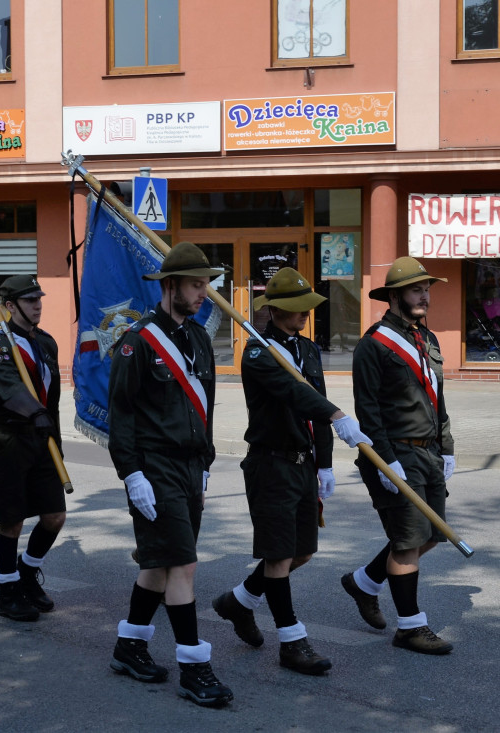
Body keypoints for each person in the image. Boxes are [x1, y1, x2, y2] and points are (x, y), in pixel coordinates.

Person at [210, 268, 369, 675]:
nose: (305, 316)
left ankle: (239, 601)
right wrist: (338, 415)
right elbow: (297, 394)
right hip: (271, 463)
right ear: (276, 309)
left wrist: (328, 463)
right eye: (298, 310)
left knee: (301, 553)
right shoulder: (259, 352)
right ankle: (292, 641)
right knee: (279, 556)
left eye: (307, 309)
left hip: (303, 462)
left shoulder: (308, 350)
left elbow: (317, 400)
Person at [106, 242, 232, 707]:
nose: (205, 293)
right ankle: (195, 669)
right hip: (153, 467)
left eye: (206, 284)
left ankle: (129, 646)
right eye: (197, 285)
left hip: (188, 466)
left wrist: (206, 459)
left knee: (158, 564)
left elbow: (206, 406)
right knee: (184, 564)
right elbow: (121, 415)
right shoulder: (137, 341)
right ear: (170, 286)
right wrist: (131, 475)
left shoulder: (198, 337)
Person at [340, 257, 455, 655]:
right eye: (415, 290)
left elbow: (437, 400)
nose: (424, 296)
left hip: (428, 453)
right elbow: (367, 410)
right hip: (396, 454)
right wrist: (386, 462)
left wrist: (448, 446)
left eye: (426, 289)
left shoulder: (429, 340)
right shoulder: (374, 345)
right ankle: (410, 627)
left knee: (430, 535)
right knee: (407, 543)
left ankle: (365, 582)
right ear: (393, 296)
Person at [0, 275, 64, 622]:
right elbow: (11, 388)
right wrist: (35, 413)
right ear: (11, 306)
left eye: (39, 299)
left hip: (43, 440)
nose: (38, 305)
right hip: (10, 441)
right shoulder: (0, 343)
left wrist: (52, 432)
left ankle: (28, 571)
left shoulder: (46, 342)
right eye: (30, 301)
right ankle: (8, 592)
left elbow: (53, 395)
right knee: (12, 522)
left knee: (54, 516)